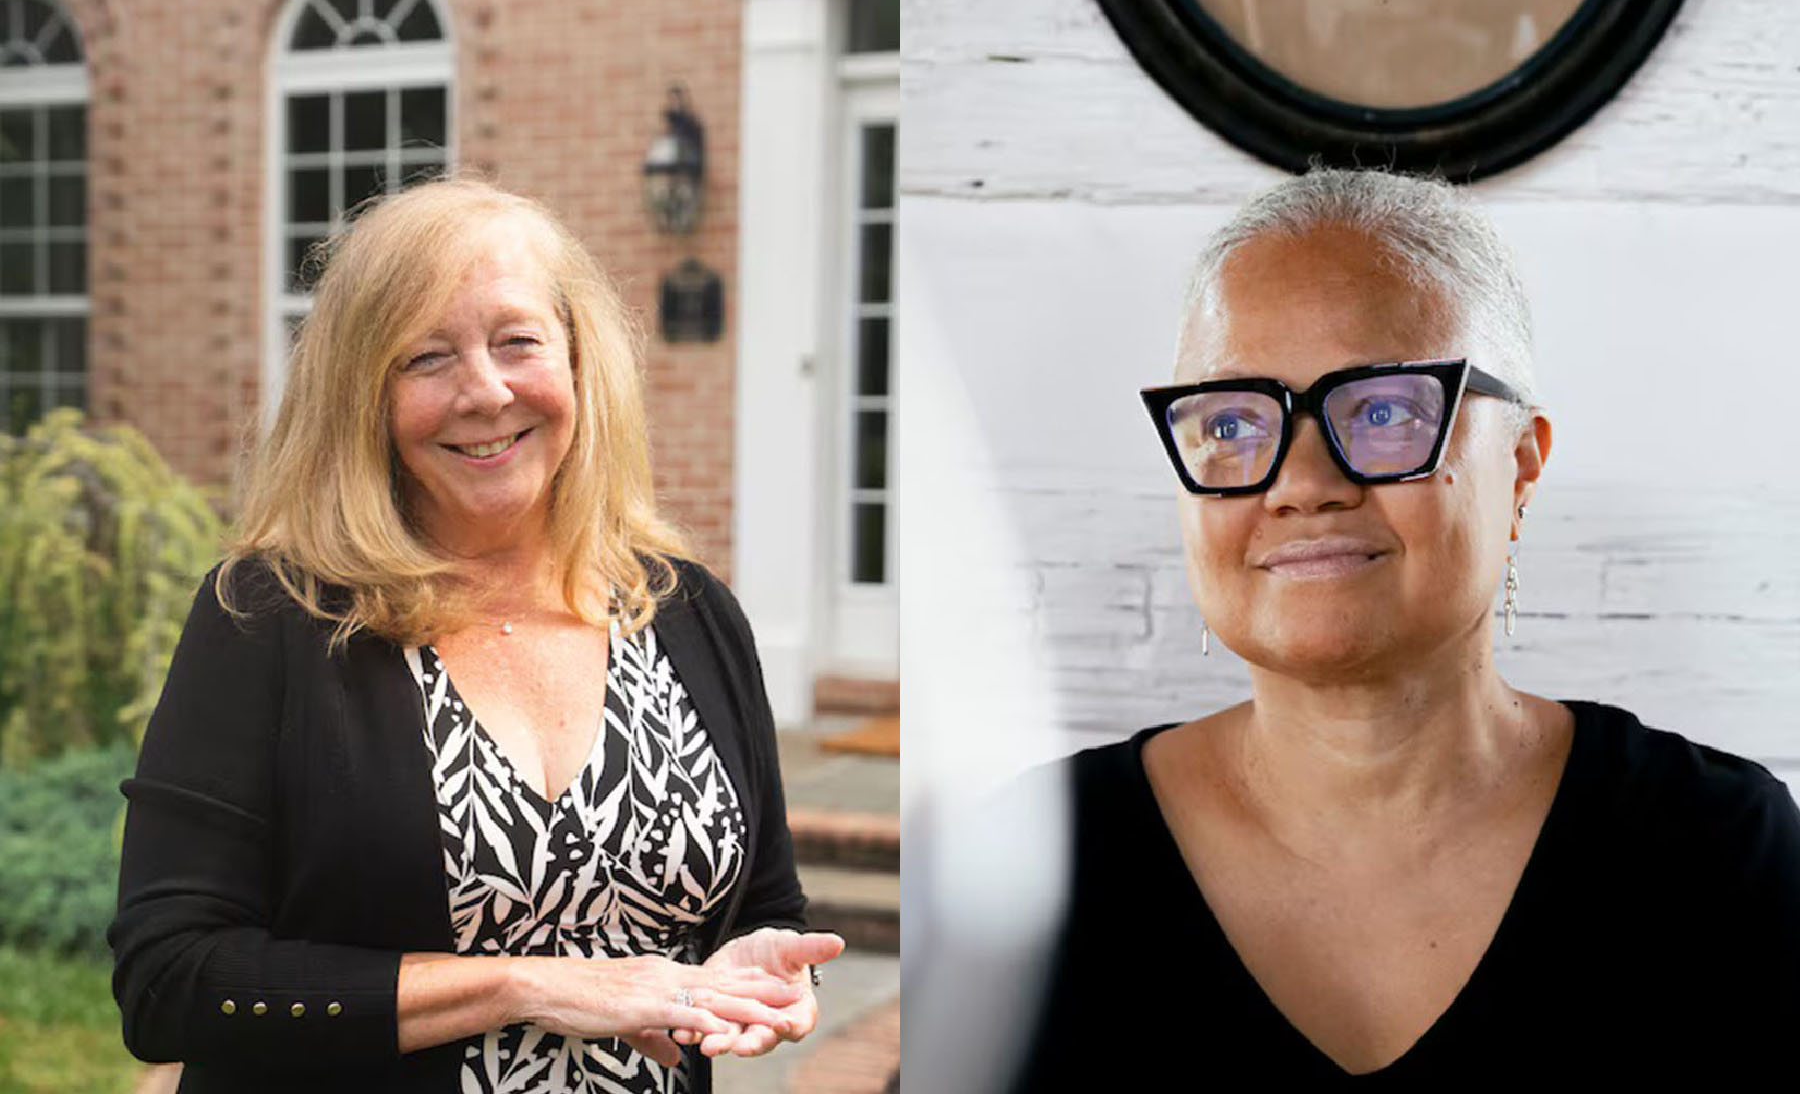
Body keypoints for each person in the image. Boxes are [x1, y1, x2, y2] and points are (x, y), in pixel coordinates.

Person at [1013, 168, 1800, 1086]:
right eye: (1234, 419)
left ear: (1522, 464)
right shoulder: (1030, 859)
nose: (1302, 482)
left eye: (1384, 411)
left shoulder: (1721, 851)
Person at [108, 176, 844, 1094]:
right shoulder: (271, 616)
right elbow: (168, 980)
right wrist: (523, 986)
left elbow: (763, 902)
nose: (485, 392)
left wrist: (765, 969)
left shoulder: (688, 612)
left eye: (517, 342)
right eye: (425, 359)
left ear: (579, 360)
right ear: (361, 397)